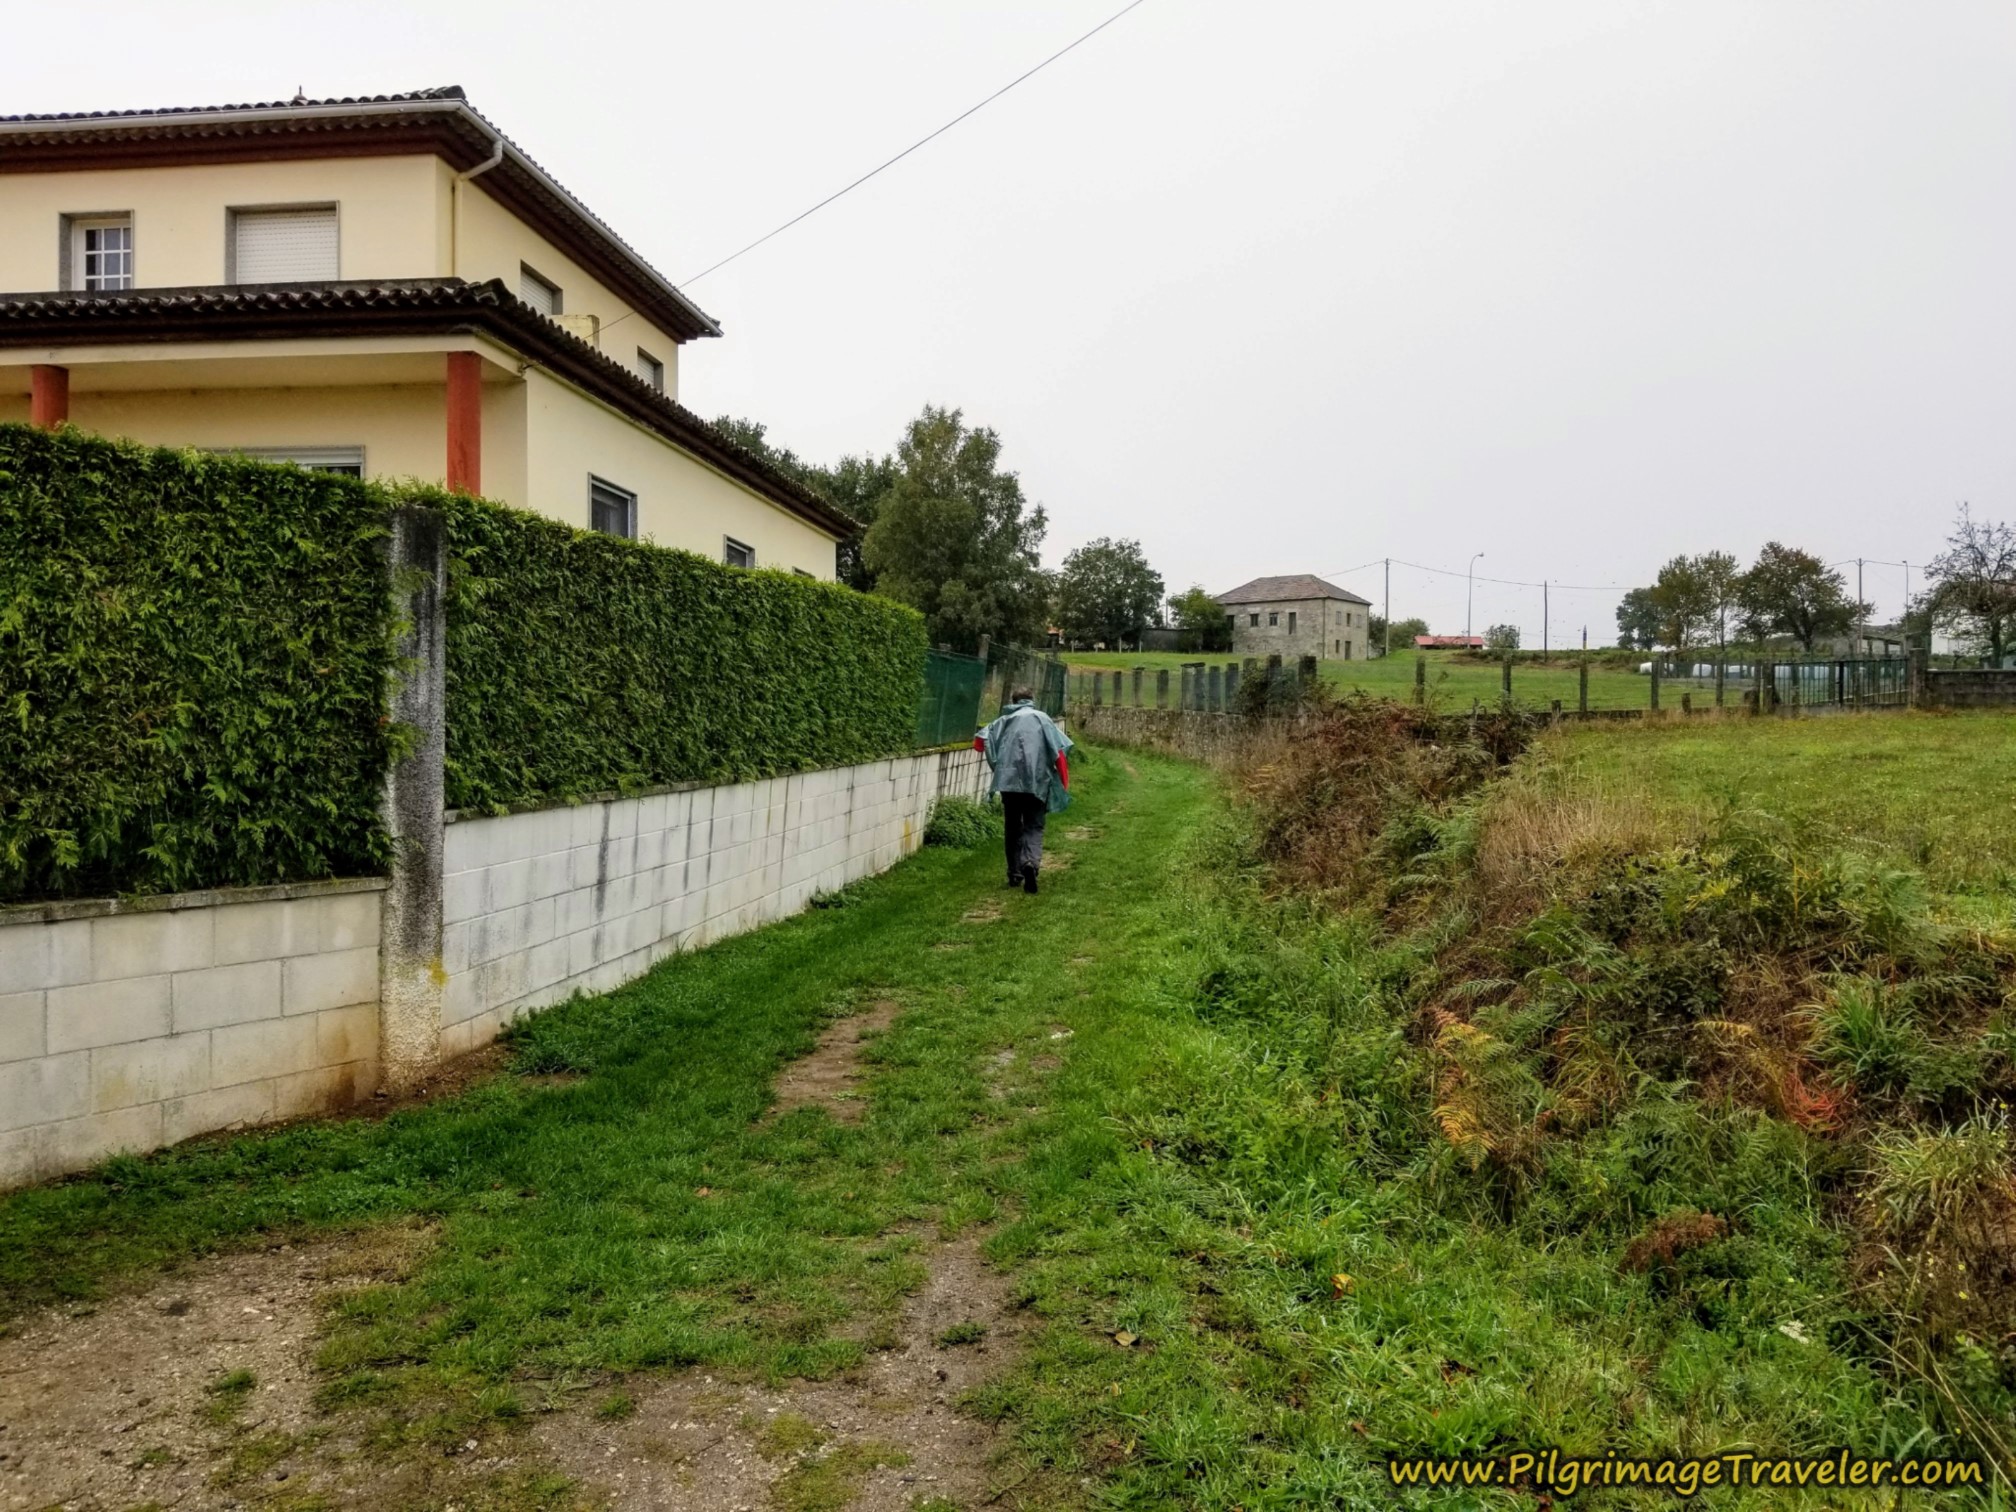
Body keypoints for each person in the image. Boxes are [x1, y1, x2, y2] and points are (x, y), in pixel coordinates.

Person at [973, 687, 1073, 894]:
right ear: (1032, 700)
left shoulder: (1003, 721)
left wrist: (998, 766)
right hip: (1036, 782)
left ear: (1014, 701)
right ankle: (1030, 863)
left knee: (1012, 827)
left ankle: (1014, 873)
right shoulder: (1043, 719)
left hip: (1008, 783)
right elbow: (1059, 751)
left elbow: (979, 742)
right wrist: (1063, 781)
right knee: (1034, 825)